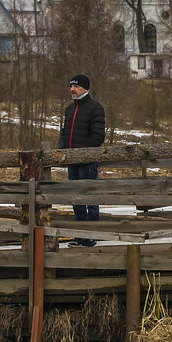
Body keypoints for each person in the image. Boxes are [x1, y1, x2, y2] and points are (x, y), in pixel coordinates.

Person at [58, 73, 105, 247]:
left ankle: (91, 235)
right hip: (71, 162)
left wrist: (84, 153)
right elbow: (64, 133)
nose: (72, 89)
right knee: (76, 200)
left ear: (85, 88)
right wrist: (60, 152)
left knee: (90, 199)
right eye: (71, 86)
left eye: (76, 86)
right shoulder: (70, 109)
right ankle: (80, 236)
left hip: (88, 162)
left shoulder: (95, 108)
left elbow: (98, 136)